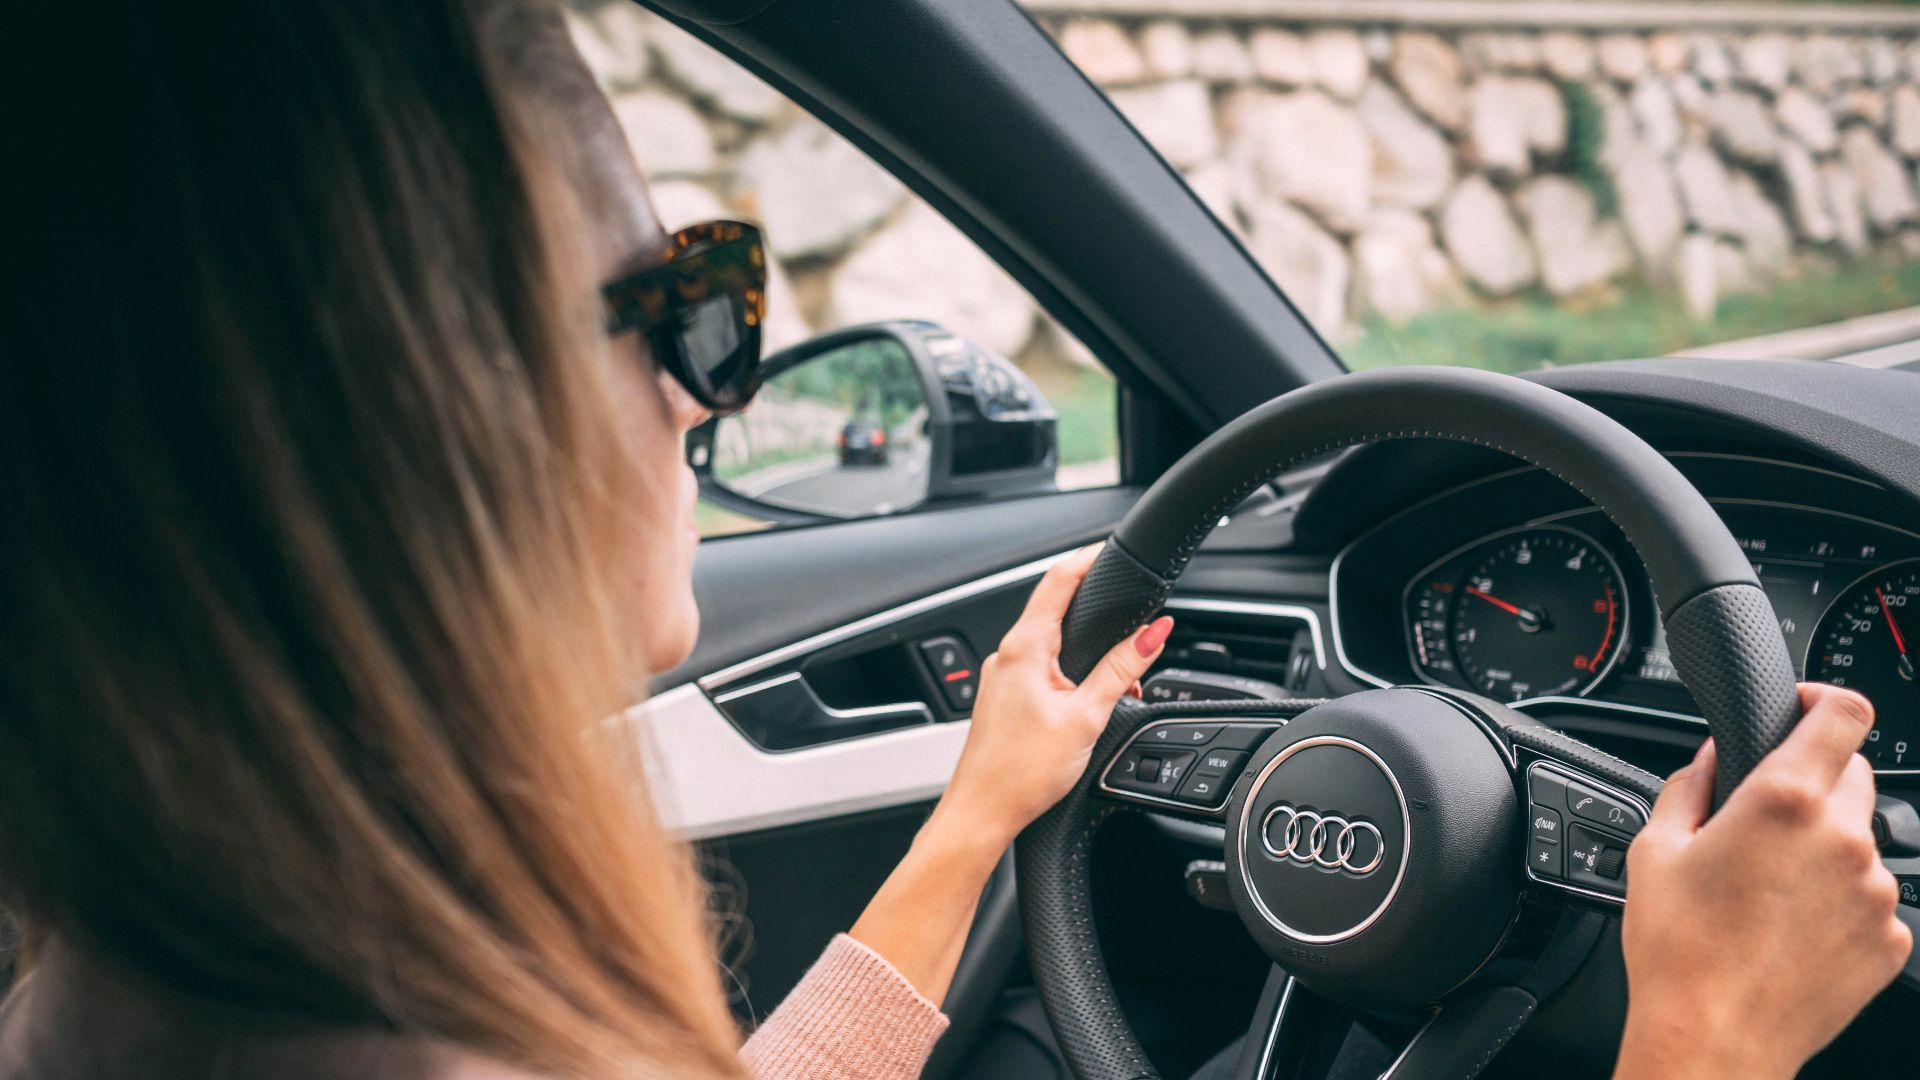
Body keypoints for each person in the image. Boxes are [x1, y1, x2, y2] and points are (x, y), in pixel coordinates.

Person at [0, 2, 1906, 1078]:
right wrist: (1708, 1038)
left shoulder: (146, 994)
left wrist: (980, 819)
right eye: (682, 308)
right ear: (422, 409)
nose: (707, 391)